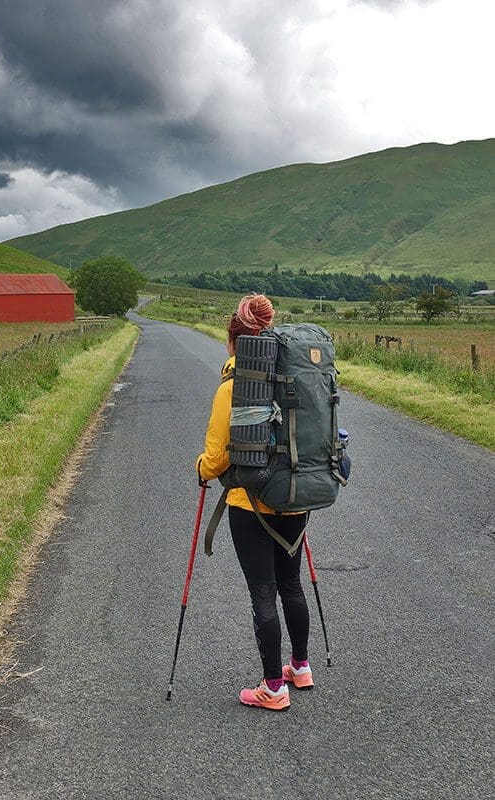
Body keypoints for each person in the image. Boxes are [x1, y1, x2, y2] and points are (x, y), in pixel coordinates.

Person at [196, 294, 313, 712]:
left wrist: (200, 468)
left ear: (233, 342)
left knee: (262, 592)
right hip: (296, 498)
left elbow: (215, 460)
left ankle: (272, 689)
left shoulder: (233, 387)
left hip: (251, 506)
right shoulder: (293, 378)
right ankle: (299, 667)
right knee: (292, 584)